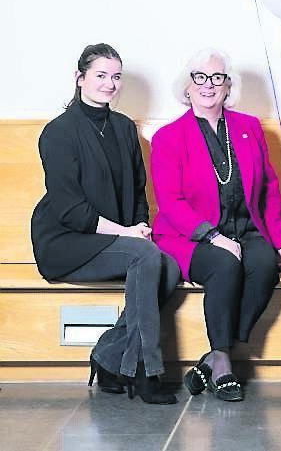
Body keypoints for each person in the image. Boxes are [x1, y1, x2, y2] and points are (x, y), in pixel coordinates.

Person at [151, 49, 281, 402]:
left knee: (265, 265)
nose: (209, 85)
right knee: (225, 265)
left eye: (217, 78)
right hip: (189, 234)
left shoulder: (249, 128)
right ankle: (223, 365)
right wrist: (213, 236)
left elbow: (268, 188)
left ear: (227, 87)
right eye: (200, 78)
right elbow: (170, 202)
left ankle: (214, 356)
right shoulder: (168, 137)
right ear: (187, 86)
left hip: (245, 227)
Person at [31, 43, 180, 405]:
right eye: (101, 75)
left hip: (116, 239)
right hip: (67, 240)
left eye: (115, 77)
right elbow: (70, 210)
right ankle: (145, 369)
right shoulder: (58, 132)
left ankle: (109, 357)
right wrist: (127, 235)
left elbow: (138, 189)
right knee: (146, 258)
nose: (109, 84)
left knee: (171, 267)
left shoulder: (124, 128)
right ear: (80, 78)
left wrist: (140, 226)